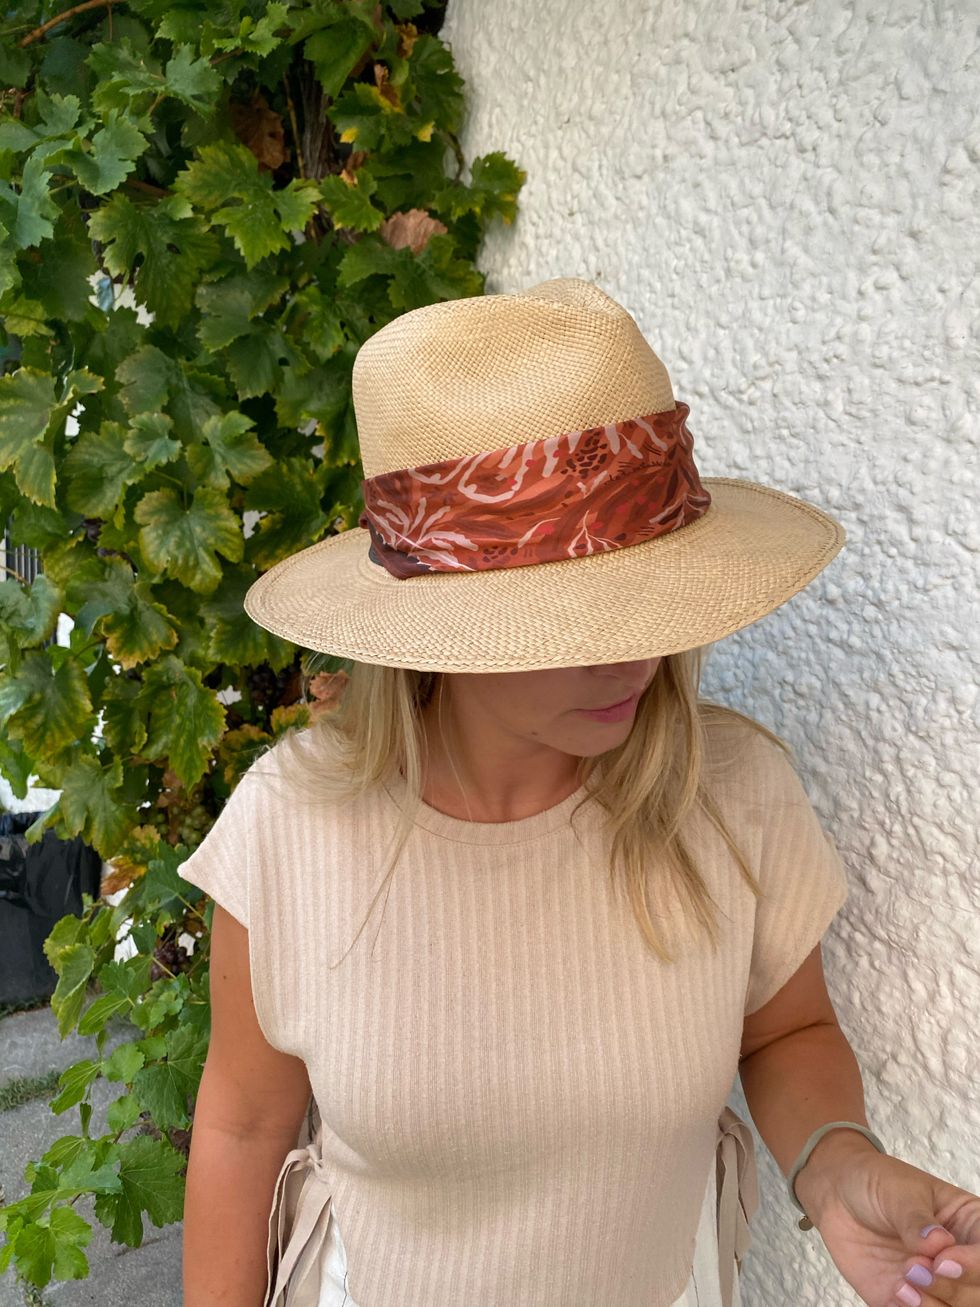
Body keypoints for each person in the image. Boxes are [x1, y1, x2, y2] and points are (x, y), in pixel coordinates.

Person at [179, 278, 980, 1307]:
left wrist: (837, 1166)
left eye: (649, 597)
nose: (635, 655)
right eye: (577, 619)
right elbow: (243, 1124)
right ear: (436, 630)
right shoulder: (292, 824)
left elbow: (785, 1031)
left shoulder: (730, 793)